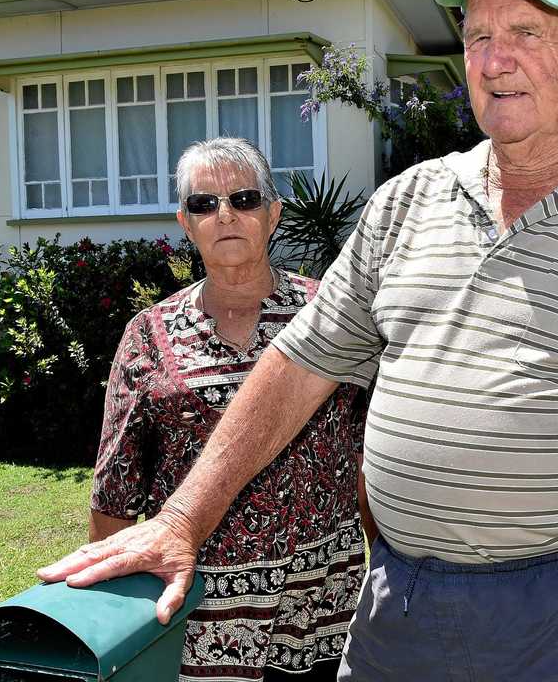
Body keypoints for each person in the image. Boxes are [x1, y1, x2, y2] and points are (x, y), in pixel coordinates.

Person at [41, 0, 558, 679]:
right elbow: (297, 366)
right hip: (405, 606)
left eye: (525, 32)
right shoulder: (406, 203)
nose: (495, 58)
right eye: (477, 35)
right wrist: (181, 521)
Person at [84, 137, 372, 681]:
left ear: (273, 213)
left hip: (322, 609)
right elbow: (116, 487)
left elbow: (369, 457)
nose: (225, 215)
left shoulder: (332, 316)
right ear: (185, 223)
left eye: (243, 198)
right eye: (204, 204)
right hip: (198, 614)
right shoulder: (147, 335)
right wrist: (115, 614)